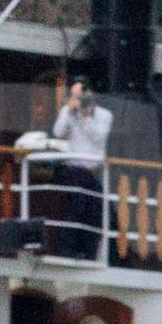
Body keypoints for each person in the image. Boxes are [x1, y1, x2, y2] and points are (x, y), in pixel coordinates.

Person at [48, 77, 113, 259]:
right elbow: (58, 132)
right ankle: (67, 251)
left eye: (80, 95)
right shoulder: (68, 112)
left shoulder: (104, 115)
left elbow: (98, 137)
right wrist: (68, 112)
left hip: (95, 172)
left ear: (90, 94)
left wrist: (85, 116)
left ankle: (89, 253)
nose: (77, 99)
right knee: (73, 211)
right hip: (74, 169)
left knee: (93, 214)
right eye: (73, 95)